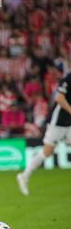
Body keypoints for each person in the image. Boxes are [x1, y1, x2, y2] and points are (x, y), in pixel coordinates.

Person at [17, 65, 71, 195]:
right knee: (47, 152)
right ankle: (24, 175)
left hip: (69, 122)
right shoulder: (69, 78)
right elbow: (59, 98)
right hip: (58, 121)